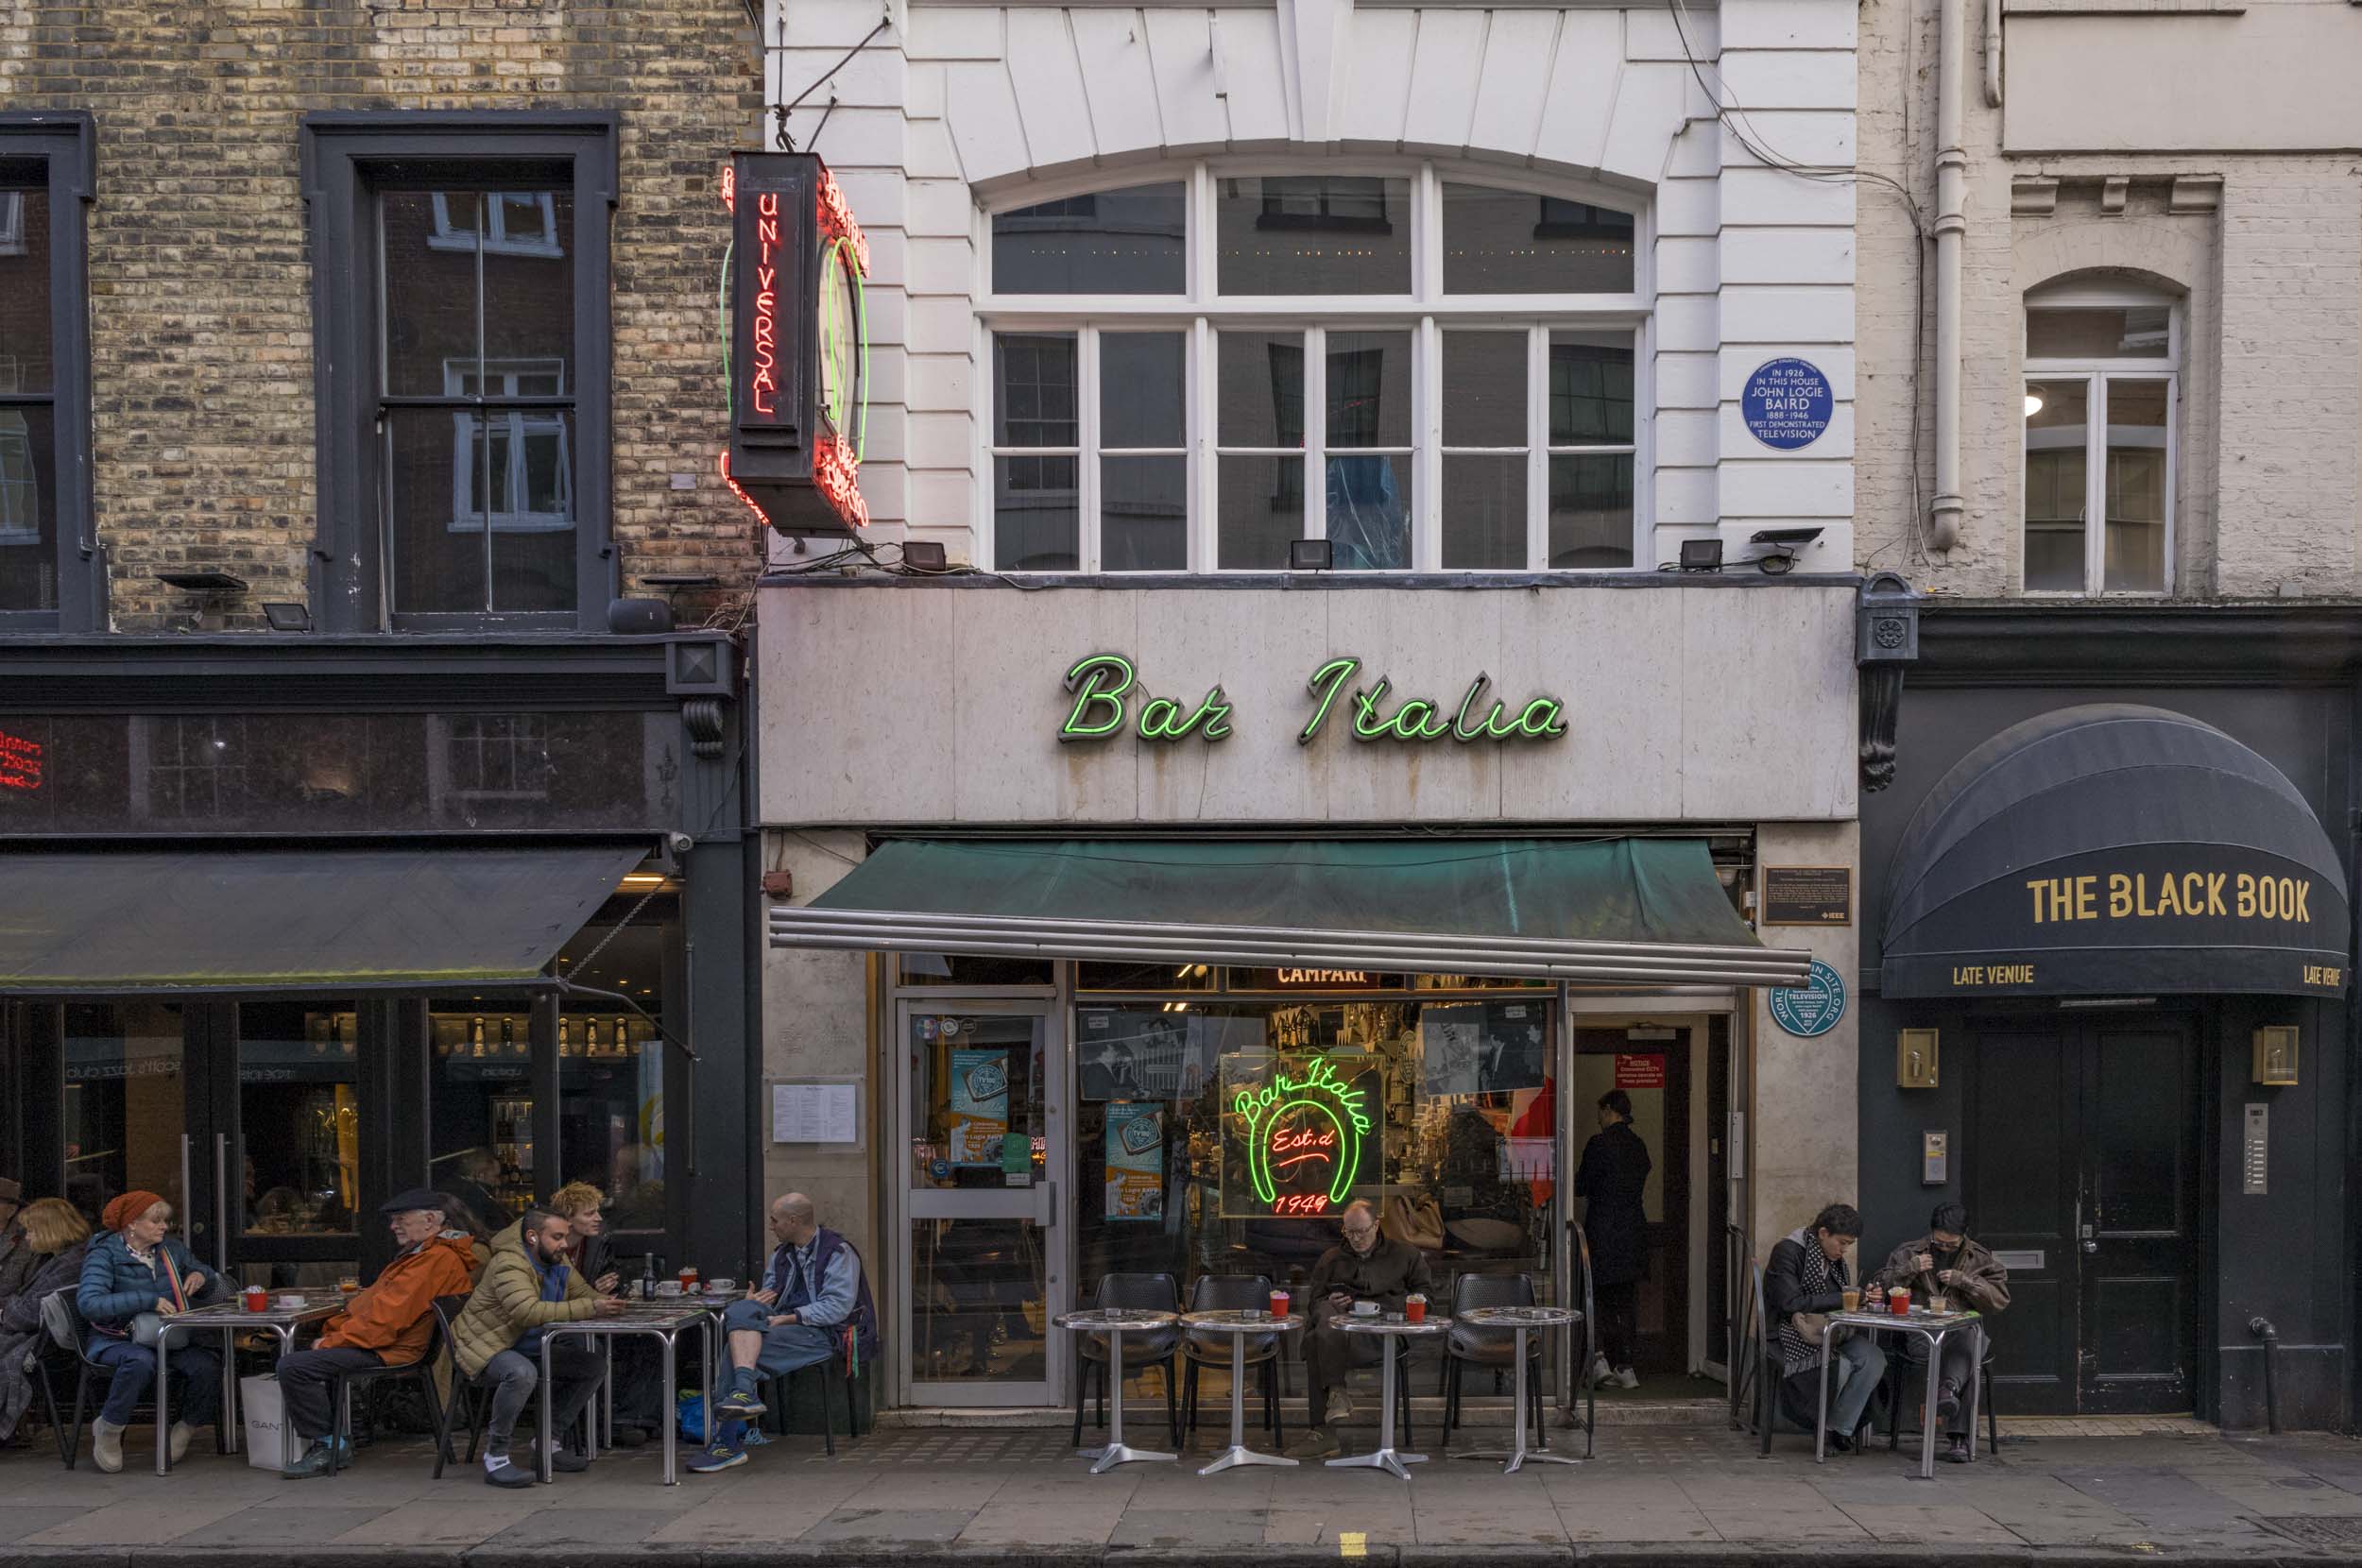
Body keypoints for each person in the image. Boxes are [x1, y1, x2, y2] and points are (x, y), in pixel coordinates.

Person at [272, 1189, 480, 1478]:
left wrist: (333, 1340)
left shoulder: (432, 1260)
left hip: (389, 1349)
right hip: (386, 1343)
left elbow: (386, 1322)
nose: (393, 1226)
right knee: (303, 1351)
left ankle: (328, 1445)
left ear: (430, 1220)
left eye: (401, 1219)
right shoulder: (428, 1255)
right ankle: (338, 1436)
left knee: (293, 1366)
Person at [688, 1192, 878, 1474]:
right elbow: (771, 1298)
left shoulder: (838, 1252)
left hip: (824, 1334)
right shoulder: (781, 1255)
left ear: (793, 1221)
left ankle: (728, 1440)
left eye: (775, 1221)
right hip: (783, 1327)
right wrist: (756, 1303)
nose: (771, 1226)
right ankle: (742, 1394)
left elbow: (837, 1307)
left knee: (734, 1350)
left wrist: (791, 1317)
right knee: (741, 1312)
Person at [449, 1206, 622, 1487]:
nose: (564, 1244)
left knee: (593, 1364)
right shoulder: (510, 1263)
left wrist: (610, 1304)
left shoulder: (557, 1260)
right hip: (487, 1345)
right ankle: (496, 1458)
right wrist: (591, 1307)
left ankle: (547, 1443)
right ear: (532, 1237)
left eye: (565, 1237)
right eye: (557, 1237)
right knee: (521, 1373)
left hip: (526, 1344)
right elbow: (526, 1311)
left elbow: (584, 1295)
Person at [76, 1191, 228, 1472]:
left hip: (166, 1337)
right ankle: (109, 1428)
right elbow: (89, 1304)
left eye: (164, 1220)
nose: (164, 1226)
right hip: (116, 1337)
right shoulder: (104, 1254)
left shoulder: (171, 1249)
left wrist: (200, 1276)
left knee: (207, 1365)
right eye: (156, 1221)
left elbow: (201, 1270)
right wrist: (147, 1300)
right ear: (131, 1224)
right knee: (140, 1362)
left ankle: (185, 1428)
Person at [1282, 1199, 1434, 1459]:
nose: (1356, 1238)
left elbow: (1424, 1296)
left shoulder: (1404, 1255)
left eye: (1362, 1231)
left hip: (1383, 1334)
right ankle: (1336, 1396)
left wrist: (1384, 1307)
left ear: (1376, 1225)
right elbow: (1314, 1302)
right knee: (1323, 1321)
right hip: (1342, 1333)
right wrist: (1328, 1302)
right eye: (1349, 1232)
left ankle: (1323, 1428)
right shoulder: (1331, 1259)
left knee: (1317, 1340)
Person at [1870, 1202, 2010, 1463]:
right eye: (1939, 1242)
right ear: (1931, 1233)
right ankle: (1958, 1432)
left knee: (1968, 1340)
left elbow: (2000, 1300)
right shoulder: (1909, 1251)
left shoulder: (1979, 1258)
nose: (1944, 1247)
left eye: (1951, 1244)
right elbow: (1879, 1284)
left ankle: (1948, 1392)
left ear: (1964, 1236)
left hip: (1961, 1335)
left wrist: (1965, 1282)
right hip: (1922, 1336)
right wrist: (1908, 1269)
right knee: (1970, 1354)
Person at [1765, 1202, 1885, 1451]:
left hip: (1831, 1330)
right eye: (1841, 1243)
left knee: (1874, 1358)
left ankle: (1837, 1428)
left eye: (1848, 1245)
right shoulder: (1787, 1251)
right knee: (1837, 1365)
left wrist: (1864, 1297)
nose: (1844, 1250)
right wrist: (1846, 1296)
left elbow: (1839, 1302)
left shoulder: (1833, 1260)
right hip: (1790, 1330)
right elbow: (1790, 1302)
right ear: (1822, 1233)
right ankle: (1822, 1431)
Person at [1574, 1087, 1652, 1390]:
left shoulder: (1599, 1144)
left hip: (1603, 1230)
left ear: (1608, 1110)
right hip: (1633, 1230)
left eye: (1600, 1112)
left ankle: (1600, 1360)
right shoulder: (1638, 1146)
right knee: (1627, 1301)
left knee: (1599, 1297)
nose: (1598, 1118)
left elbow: (1581, 1186)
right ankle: (1626, 1365)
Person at [0, 1198, 92, 1446]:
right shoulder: (65, 1259)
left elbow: (27, 1313)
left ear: (50, 1230)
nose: (27, 1238)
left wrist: (5, 1310)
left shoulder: (69, 1265)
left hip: (42, 1345)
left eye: (31, 1231)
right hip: (38, 1337)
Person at [445, 1149, 514, 1233]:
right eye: (495, 1176)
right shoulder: (473, 1195)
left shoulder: (469, 1189)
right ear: (480, 1174)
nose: (498, 1183)